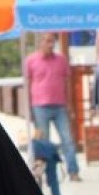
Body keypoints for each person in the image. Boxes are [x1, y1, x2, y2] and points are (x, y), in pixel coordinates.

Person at [24, 33, 81, 181]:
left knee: (67, 139)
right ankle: (49, 175)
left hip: (60, 105)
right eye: (48, 41)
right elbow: (27, 84)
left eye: (53, 42)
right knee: (44, 143)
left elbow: (68, 82)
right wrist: (28, 107)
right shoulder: (31, 61)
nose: (51, 44)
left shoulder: (61, 60)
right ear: (40, 42)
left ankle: (73, 172)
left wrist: (69, 104)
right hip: (40, 106)